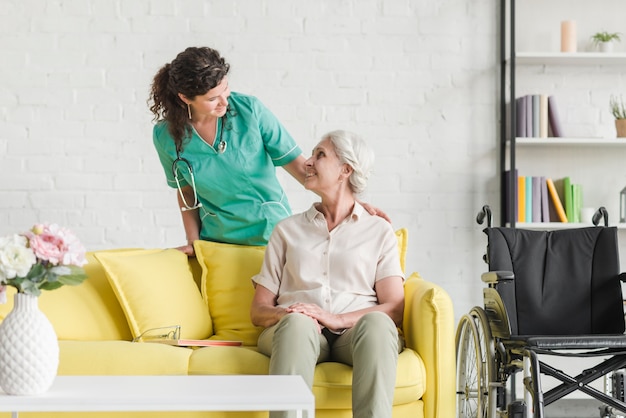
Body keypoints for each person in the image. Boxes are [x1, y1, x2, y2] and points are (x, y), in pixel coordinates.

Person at [149, 47, 388, 254]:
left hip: (271, 235)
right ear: (184, 98)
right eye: (213, 99)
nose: (225, 101)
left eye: (226, 89)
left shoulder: (249, 110)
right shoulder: (165, 136)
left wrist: (350, 204)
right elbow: (186, 191)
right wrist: (193, 242)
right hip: (217, 241)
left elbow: (299, 166)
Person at [250, 130, 405, 418]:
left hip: (355, 333)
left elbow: (394, 308)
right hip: (296, 331)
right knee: (298, 325)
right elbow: (259, 310)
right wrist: (289, 315)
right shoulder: (287, 230)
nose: (307, 161)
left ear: (346, 170)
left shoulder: (378, 230)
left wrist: (336, 320)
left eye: (320, 154)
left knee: (379, 325)